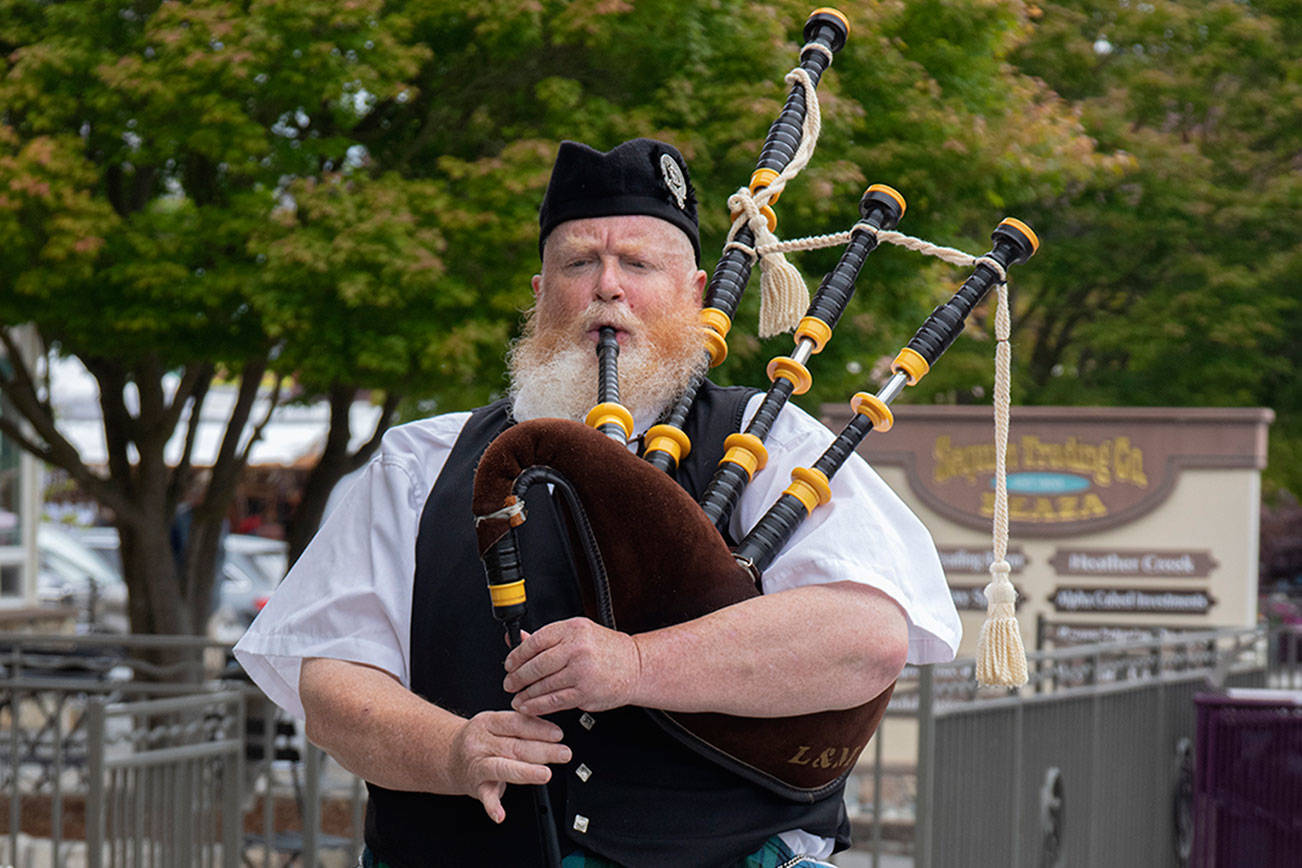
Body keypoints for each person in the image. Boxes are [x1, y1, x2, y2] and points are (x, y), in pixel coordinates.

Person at [234, 138, 961, 868]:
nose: (607, 286)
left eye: (639, 264)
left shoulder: (771, 444)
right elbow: (329, 679)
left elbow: (866, 635)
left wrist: (638, 664)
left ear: (697, 292)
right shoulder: (421, 463)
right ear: (541, 291)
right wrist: (453, 752)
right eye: (579, 263)